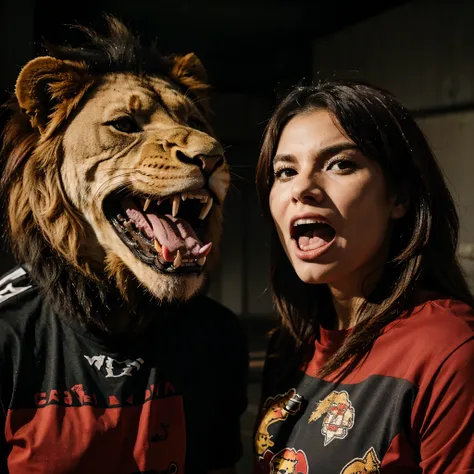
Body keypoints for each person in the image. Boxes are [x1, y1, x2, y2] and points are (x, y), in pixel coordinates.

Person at [0, 15, 248, 474]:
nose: (199, 144)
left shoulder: (216, 337)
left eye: (191, 120)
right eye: (124, 124)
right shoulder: (10, 336)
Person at [252, 80, 474, 473]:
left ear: (400, 197)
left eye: (340, 164)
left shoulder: (449, 350)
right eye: (285, 171)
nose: (302, 188)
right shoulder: (289, 347)